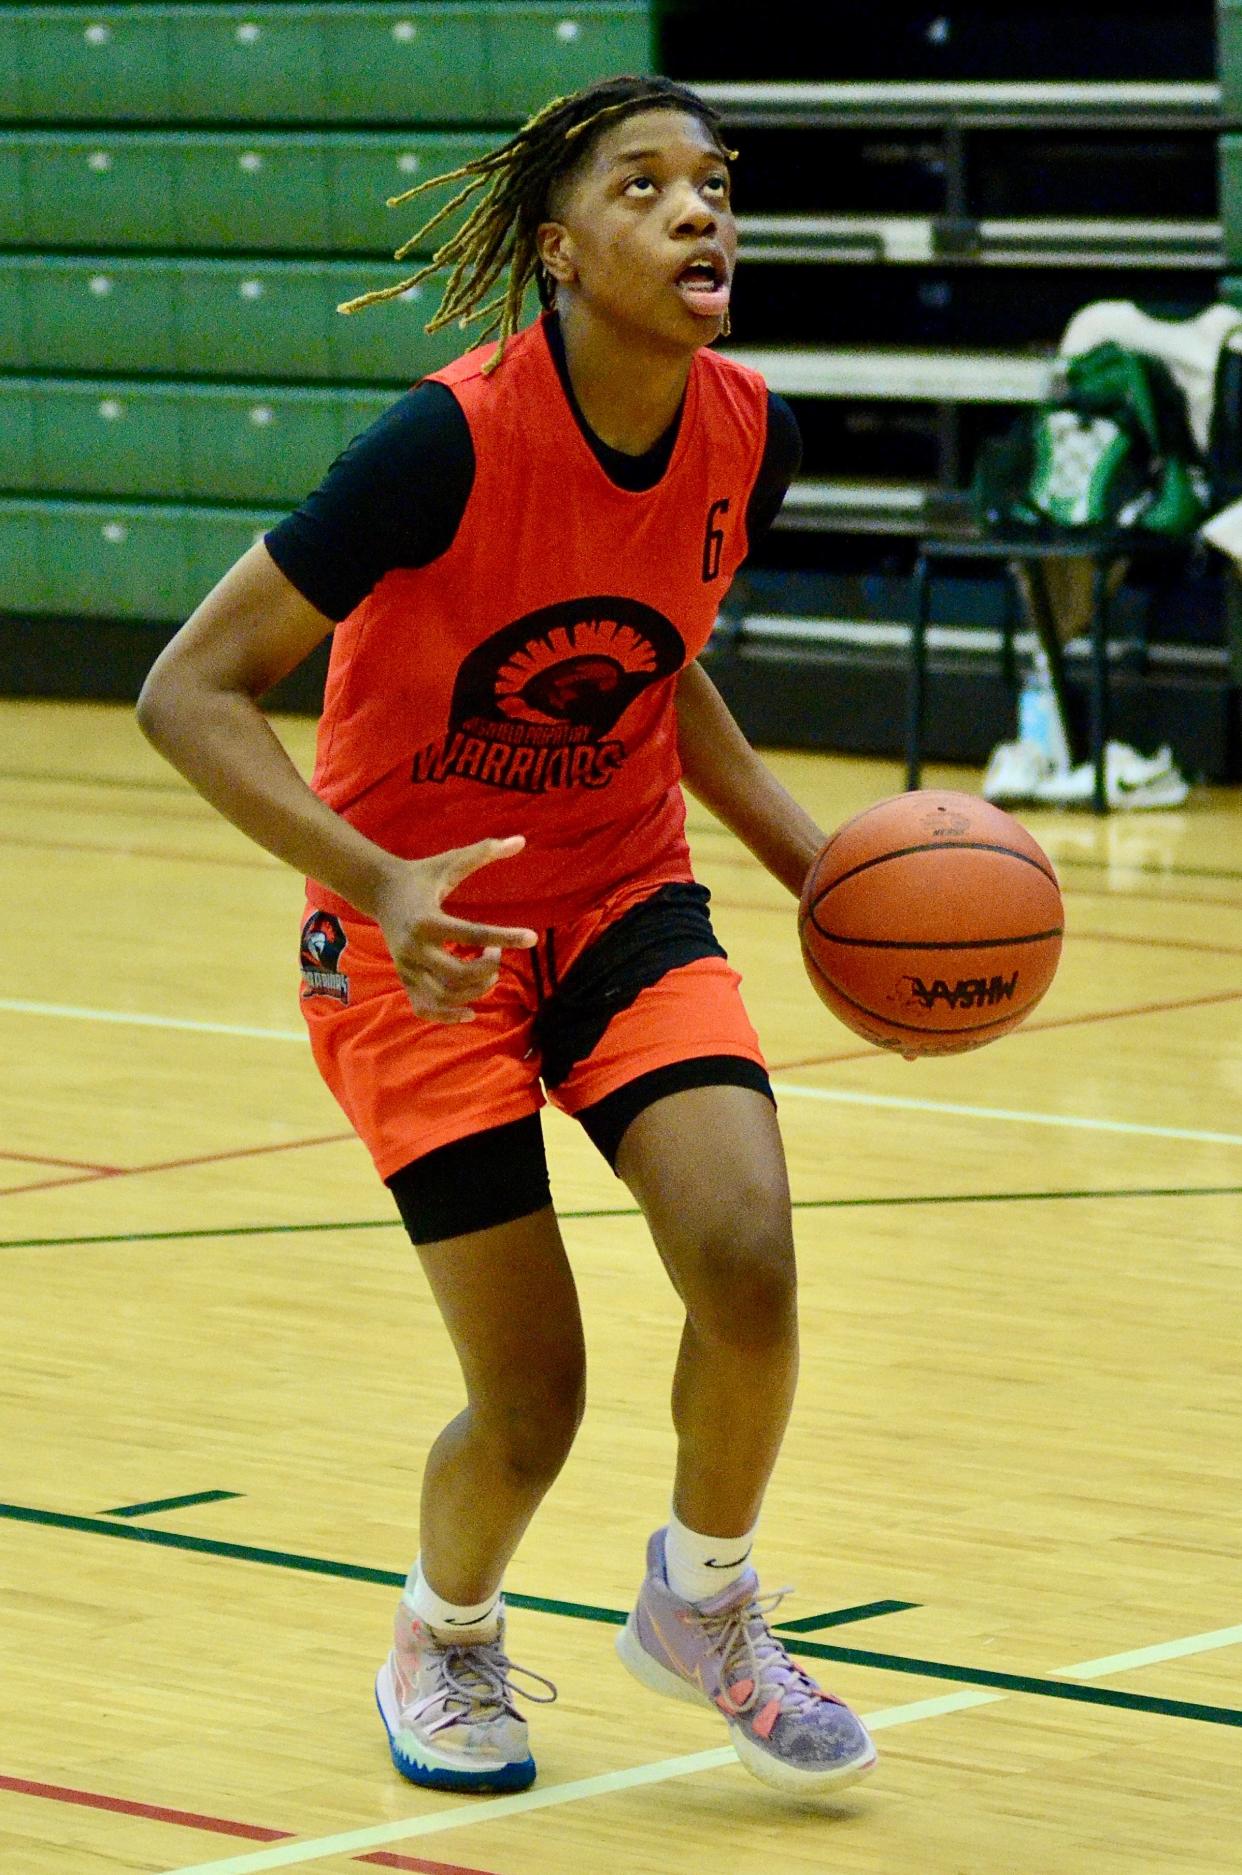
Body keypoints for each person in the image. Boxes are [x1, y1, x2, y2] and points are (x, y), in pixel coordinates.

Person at [137, 73, 877, 1802]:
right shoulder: (446, 439)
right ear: (559, 248)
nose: (700, 211)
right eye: (645, 186)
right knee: (532, 1397)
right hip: (425, 939)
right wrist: (376, 882)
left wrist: (804, 861)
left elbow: (649, 650)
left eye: (714, 182)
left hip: (621, 892)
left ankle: (706, 1600)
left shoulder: (744, 429)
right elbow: (191, 693)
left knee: (749, 1262)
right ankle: (442, 1634)